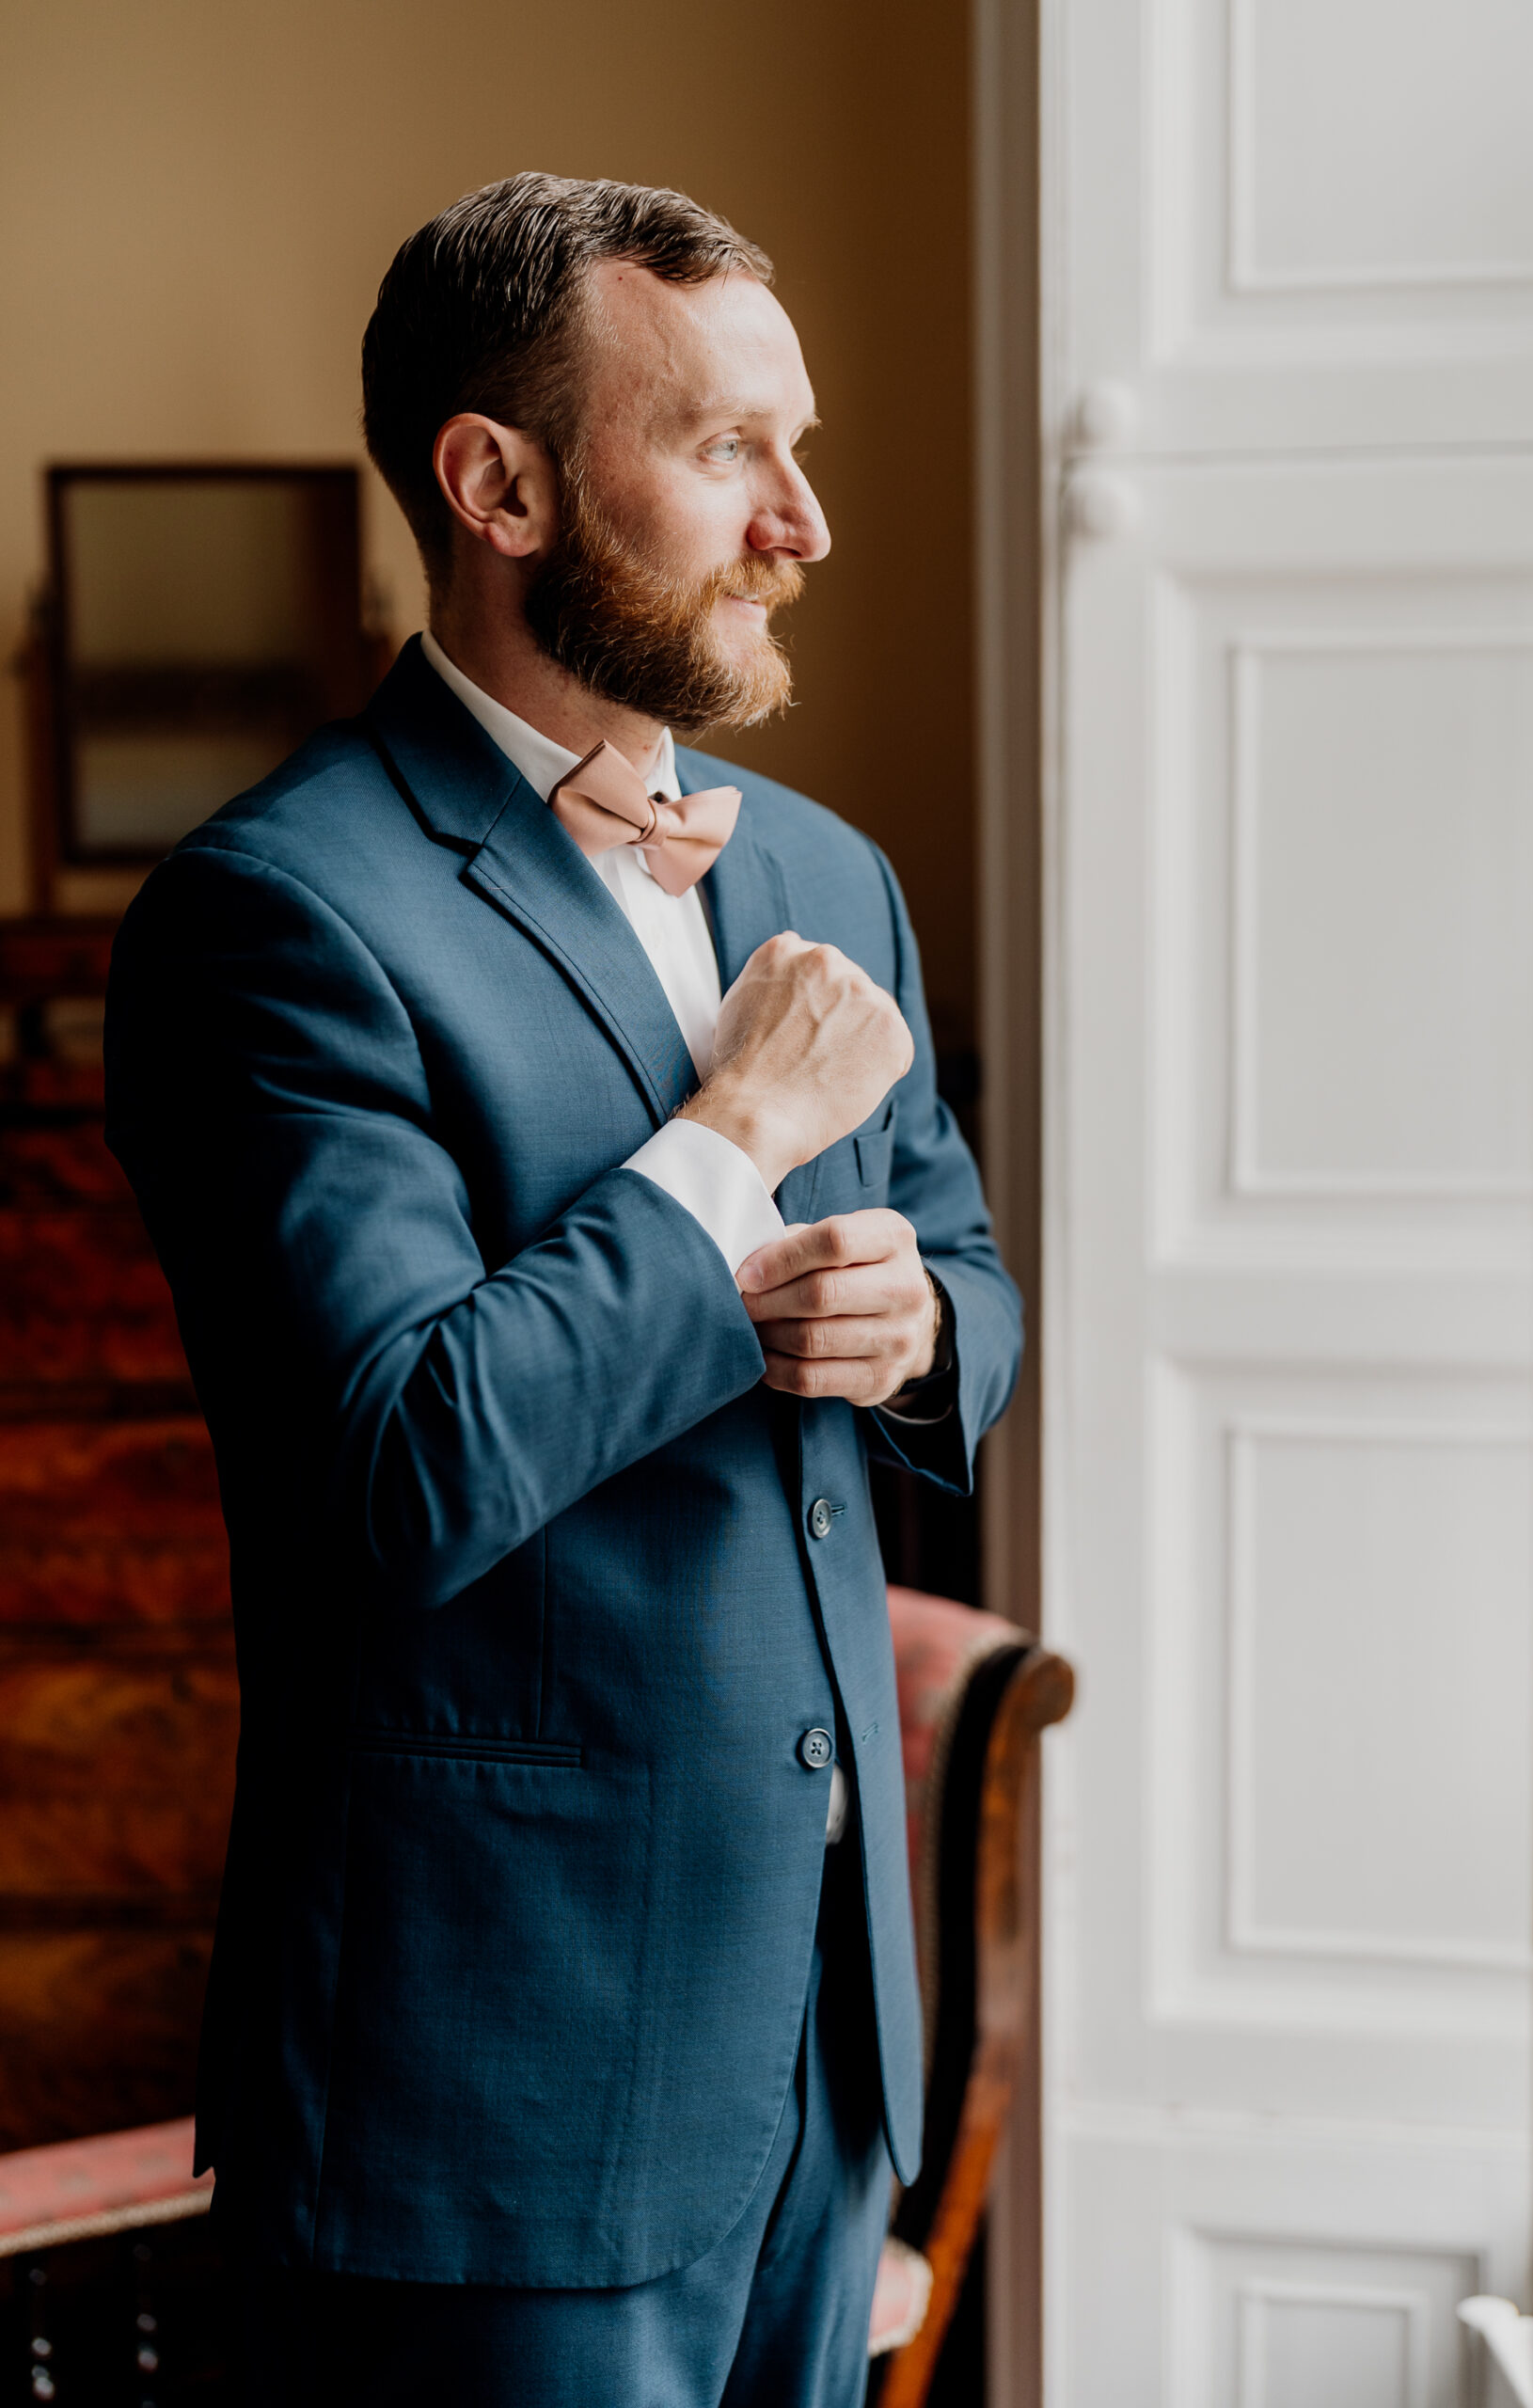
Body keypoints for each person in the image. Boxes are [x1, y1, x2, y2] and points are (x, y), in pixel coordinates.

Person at [103, 171, 1021, 2407]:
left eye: (796, 450)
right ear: (495, 481)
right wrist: (724, 1149)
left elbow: (975, 1283)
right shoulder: (275, 920)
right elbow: (399, 1464)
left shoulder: (824, 871)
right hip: (492, 2088)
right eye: (725, 449)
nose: (798, 521)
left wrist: (916, 1326)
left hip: (821, 2039)